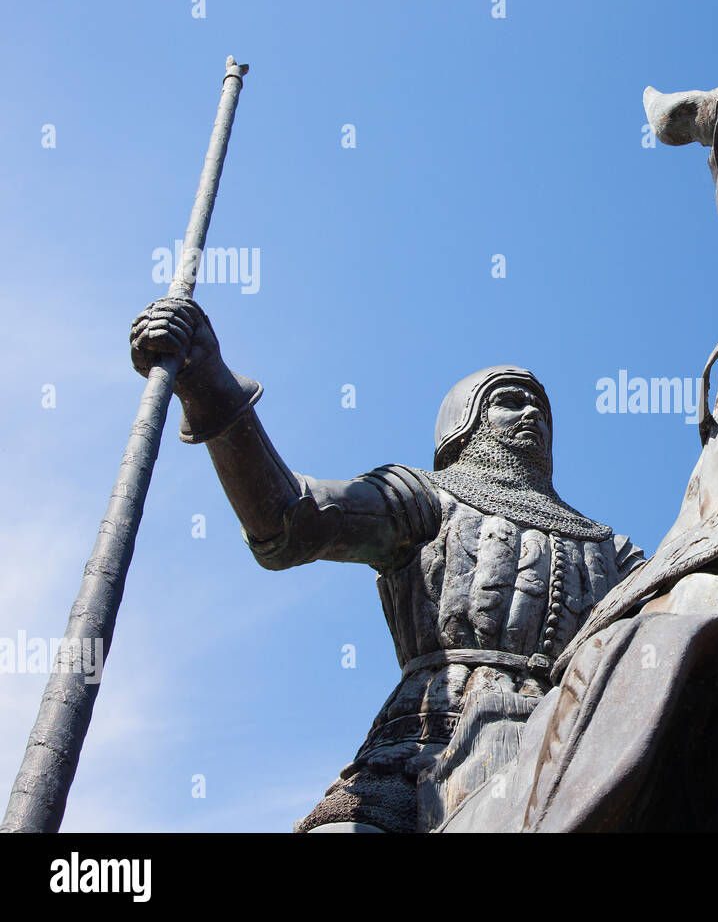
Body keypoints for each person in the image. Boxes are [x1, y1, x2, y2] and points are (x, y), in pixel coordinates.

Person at [129, 298, 643, 832]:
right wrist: (210, 384)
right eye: (509, 402)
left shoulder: (612, 549)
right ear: (466, 421)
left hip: (573, 744)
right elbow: (289, 522)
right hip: (420, 745)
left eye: (541, 410)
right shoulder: (424, 497)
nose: (532, 415)